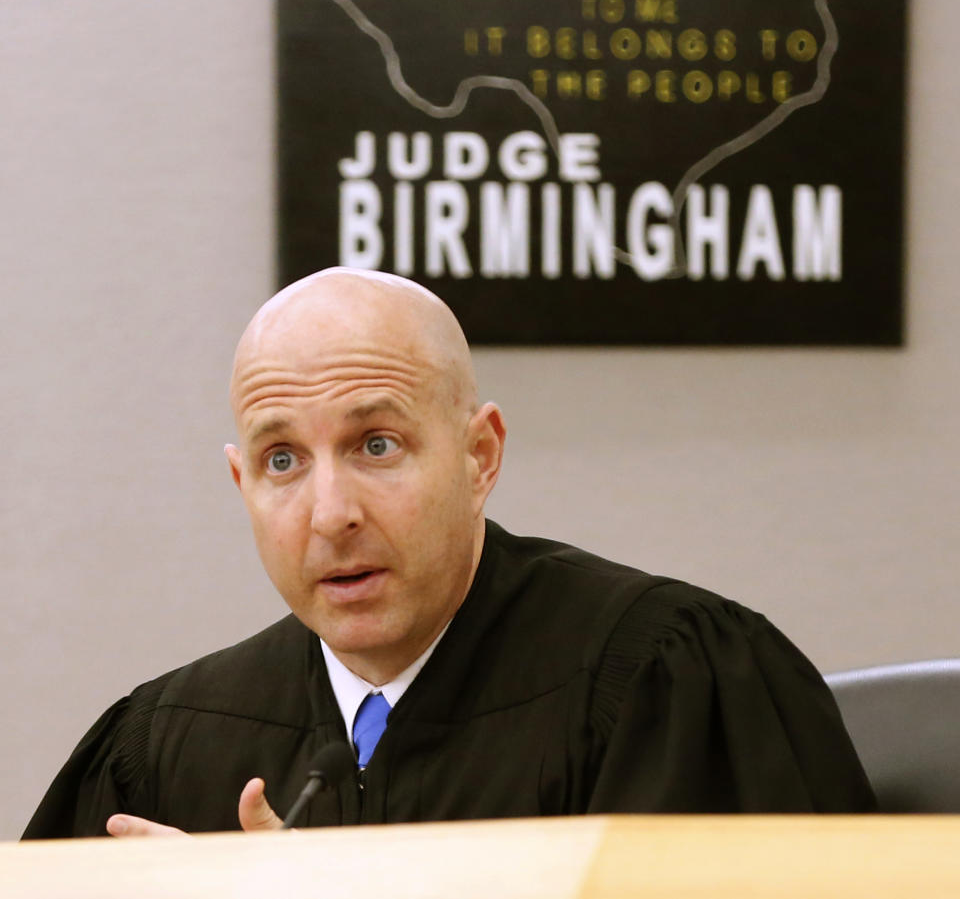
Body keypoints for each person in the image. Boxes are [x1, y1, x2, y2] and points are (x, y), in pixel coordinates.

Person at [23, 269, 875, 839]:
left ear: (480, 456)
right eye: (282, 460)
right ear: (240, 482)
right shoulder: (165, 748)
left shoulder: (664, 680)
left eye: (378, 444)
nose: (331, 514)